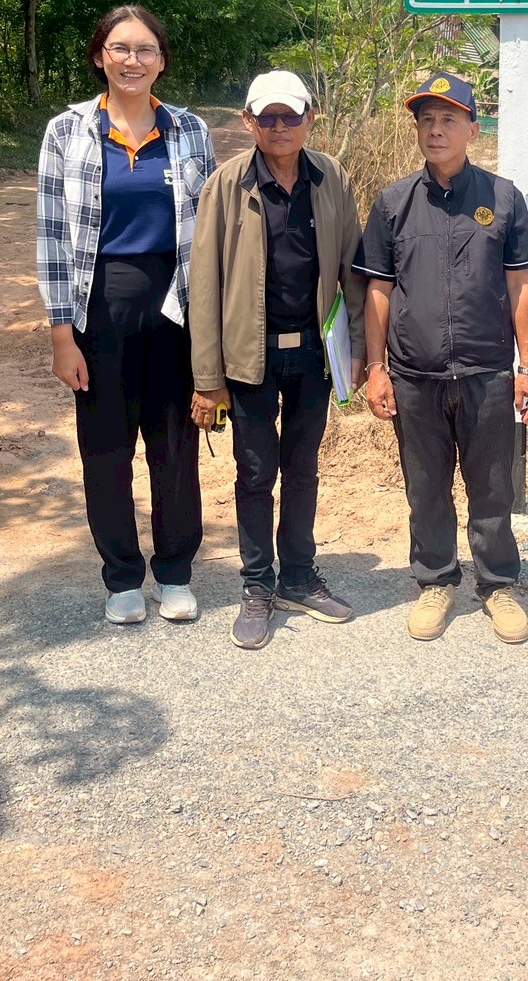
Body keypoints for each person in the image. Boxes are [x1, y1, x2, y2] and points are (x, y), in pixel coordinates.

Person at [37, 5, 214, 625]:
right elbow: (54, 237)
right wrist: (64, 336)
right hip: (99, 304)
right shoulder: (66, 132)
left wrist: (210, 331)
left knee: (175, 445)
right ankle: (120, 577)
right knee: (106, 447)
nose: (132, 60)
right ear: (99, 57)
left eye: (144, 50)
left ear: (162, 61)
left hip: (175, 304)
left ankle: (174, 572)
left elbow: (209, 235)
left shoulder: (189, 131)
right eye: (120, 48)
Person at [354, 73, 528, 645]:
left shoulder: (503, 198)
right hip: (415, 375)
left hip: (488, 372)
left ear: (471, 128)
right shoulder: (393, 202)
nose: (436, 131)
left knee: (492, 487)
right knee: (426, 486)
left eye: (448, 120)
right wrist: (377, 368)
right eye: (426, 120)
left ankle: (498, 585)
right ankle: (436, 581)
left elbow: (520, 287)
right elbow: (379, 291)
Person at [188, 71, 365, 651]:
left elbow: (351, 270)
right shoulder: (226, 185)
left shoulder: (331, 176)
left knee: (305, 468)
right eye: (269, 117)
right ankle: (257, 584)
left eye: (291, 116)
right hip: (249, 358)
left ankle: (297, 576)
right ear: (250, 122)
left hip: (314, 353)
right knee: (256, 472)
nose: (281, 127)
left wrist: (357, 350)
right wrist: (207, 379)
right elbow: (205, 283)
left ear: (311, 117)